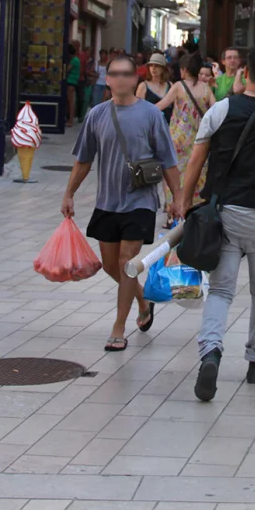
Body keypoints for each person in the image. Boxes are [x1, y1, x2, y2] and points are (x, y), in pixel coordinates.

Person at [181, 42, 255, 402]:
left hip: (226, 214)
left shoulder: (220, 109)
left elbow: (196, 160)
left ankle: (211, 353)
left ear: (244, 73)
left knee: (221, 290)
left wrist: (183, 201)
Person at [61, 55, 181, 352]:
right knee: (110, 265)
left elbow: (168, 160)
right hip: (107, 201)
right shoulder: (96, 115)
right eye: (115, 74)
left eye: (127, 74)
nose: (121, 79)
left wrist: (177, 198)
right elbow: (84, 160)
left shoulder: (151, 115)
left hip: (140, 200)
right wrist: (69, 193)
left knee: (128, 262)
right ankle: (142, 299)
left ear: (135, 79)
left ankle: (118, 328)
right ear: (109, 79)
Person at [157, 53, 215, 224]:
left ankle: (173, 212)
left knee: (173, 175)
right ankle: (191, 210)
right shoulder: (206, 88)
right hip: (200, 141)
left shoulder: (178, 86)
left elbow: (161, 106)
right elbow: (215, 110)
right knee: (197, 175)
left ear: (183, 70)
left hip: (177, 140)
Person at [136, 52, 172, 124]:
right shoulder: (143, 86)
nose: (153, 68)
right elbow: (138, 110)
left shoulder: (170, 85)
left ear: (163, 68)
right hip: (149, 126)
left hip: (168, 127)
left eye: (157, 66)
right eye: (151, 65)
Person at [66, 43, 81, 127]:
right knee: (70, 101)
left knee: (70, 101)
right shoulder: (76, 60)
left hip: (71, 81)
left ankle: (70, 120)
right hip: (73, 81)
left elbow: (67, 69)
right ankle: (69, 118)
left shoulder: (74, 60)